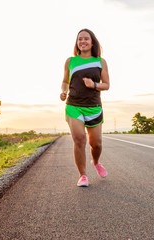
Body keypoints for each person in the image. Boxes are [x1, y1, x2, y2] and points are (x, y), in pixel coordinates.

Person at [60, 28, 110, 187]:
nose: (82, 42)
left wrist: (94, 85)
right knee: (79, 139)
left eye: (86, 39)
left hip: (94, 107)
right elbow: (65, 81)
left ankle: (96, 162)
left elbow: (107, 85)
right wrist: (63, 92)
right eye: (79, 39)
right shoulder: (70, 61)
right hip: (74, 105)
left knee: (96, 144)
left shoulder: (101, 61)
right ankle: (83, 175)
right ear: (77, 42)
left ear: (92, 42)